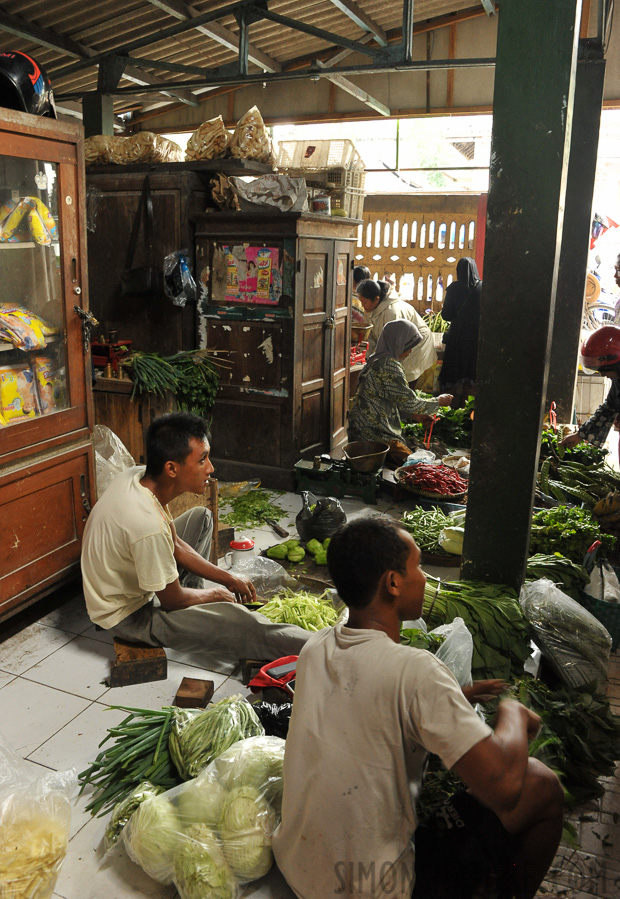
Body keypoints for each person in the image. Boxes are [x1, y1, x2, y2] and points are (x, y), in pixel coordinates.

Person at [272, 517, 564, 899]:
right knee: (541, 784)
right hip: (372, 887)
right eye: (418, 566)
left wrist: (456, 696)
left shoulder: (316, 647)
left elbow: (370, 711)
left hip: (299, 867)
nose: (425, 578)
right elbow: (504, 789)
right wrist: (512, 713)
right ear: (393, 583)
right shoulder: (418, 671)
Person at [80, 411, 309, 674]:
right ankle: (325, 646)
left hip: (136, 579)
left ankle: (194, 599)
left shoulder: (137, 477)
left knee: (202, 518)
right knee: (241, 622)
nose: (210, 468)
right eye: (202, 460)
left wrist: (227, 578)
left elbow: (175, 543)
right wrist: (215, 594)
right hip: (128, 615)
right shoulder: (146, 525)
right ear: (171, 468)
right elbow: (172, 599)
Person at [347, 319, 453, 466]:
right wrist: (439, 401)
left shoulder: (376, 359)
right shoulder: (389, 365)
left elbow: (388, 400)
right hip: (375, 435)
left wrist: (415, 416)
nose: (410, 352)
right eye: (408, 346)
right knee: (416, 468)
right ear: (397, 342)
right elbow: (409, 402)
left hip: (361, 430)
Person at [356, 278, 437, 385]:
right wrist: (367, 358)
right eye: (361, 302)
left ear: (376, 299)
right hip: (399, 347)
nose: (362, 306)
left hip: (414, 346)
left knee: (404, 380)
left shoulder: (393, 312)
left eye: (364, 302)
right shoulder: (370, 309)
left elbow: (394, 345)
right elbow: (371, 336)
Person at [560, 324, 620, 452]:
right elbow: (609, 407)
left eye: (604, 370)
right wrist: (580, 435)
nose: (603, 375)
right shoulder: (618, 380)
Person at [438, 256, 482, 408]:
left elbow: (446, 315)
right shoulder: (483, 288)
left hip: (457, 337)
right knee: (470, 372)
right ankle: (466, 408)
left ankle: (447, 408)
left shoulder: (454, 288)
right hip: (475, 338)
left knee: (453, 370)